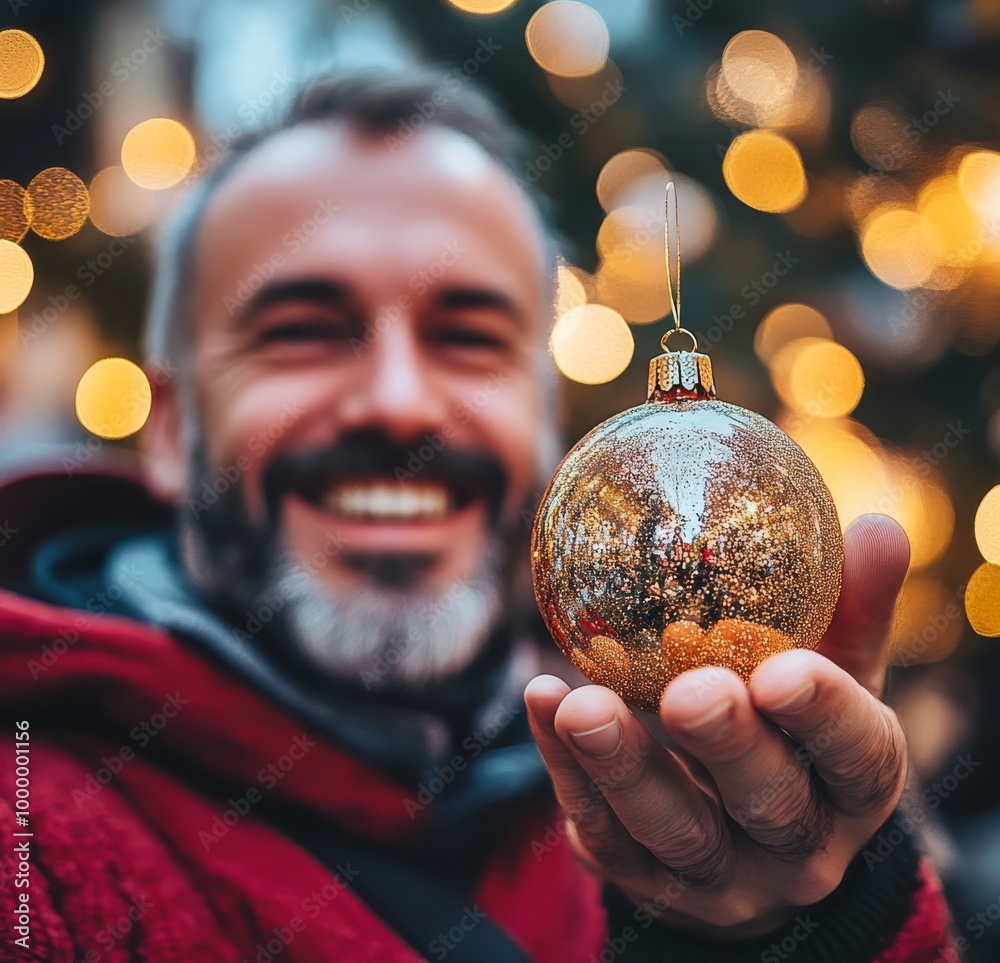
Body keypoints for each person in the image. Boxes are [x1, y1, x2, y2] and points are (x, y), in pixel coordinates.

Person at [0, 69, 955, 962]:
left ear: (549, 427)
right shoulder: (34, 838)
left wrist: (816, 928)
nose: (401, 405)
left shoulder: (658, 780)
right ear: (167, 431)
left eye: (469, 336)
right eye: (300, 333)